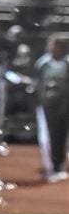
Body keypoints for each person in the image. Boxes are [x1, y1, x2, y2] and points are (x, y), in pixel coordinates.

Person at [34, 35, 69, 182]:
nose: (53, 48)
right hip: (47, 106)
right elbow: (37, 84)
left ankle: (59, 164)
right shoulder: (43, 63)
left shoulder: (66, 63)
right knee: (47, 137)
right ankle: (52, 166)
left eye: (56, 45)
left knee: (61, 136)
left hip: (64, 105)